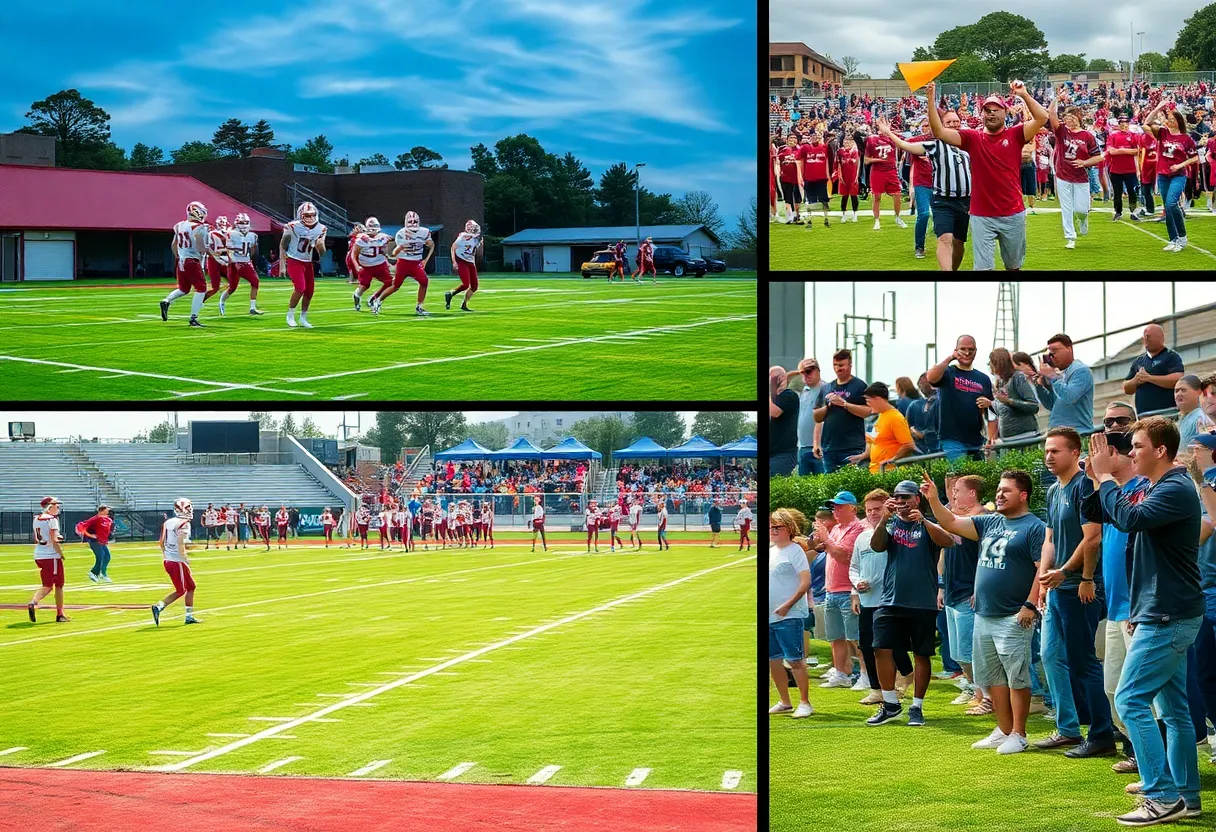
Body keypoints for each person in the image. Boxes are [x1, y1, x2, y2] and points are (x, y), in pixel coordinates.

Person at [1091, 418, 1204, 824]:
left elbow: (1130, 520)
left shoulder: (1173, 488)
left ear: (1160, 450)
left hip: (1169, 615)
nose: (1130, 452)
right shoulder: (1157, 487)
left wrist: (1105, 476)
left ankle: (1160, 795)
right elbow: (1112, 521)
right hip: (1160, 612)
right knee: (1174, 712)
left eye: (1137, 446)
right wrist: (1098, 478)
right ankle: (1187, 797)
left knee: (1129, 699)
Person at [922, 469, 1045, 755]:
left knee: (1017, 677)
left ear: (1023, 495)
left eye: (1007, 491)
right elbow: (951, 522)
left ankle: (1019, 733)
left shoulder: (1034, 526)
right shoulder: (989, 522)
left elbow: (1042, 568)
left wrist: (1029, 604)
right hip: (984, 614)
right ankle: (1003, 730)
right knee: (991, 678)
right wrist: (933, 500)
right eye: (999, 490)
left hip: (1013, 615)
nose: (1000, 495)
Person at [1036, 427, 1114, 758]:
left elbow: (1093, 537)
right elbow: (1050, 539)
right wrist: (1043, 577)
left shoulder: (1085, 486)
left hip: (1079, 587)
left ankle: (1102, 735)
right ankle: (1069, 728)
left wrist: (1076, 575)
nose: (1049, 456)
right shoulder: (1054, 490)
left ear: (1074, 453)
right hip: (1057, 587)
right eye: (1047, 451)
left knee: (1084, 663)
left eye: (1056, 451)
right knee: (1050, 655)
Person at [1080, 402, 1147, 770]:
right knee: (1114, 691)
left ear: (1125, 457)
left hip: (1139, 607)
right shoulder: (1109, 490)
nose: (1098, 458)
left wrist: (1104, 479)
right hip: (1116, 605)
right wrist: (1095, 479)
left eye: (1105, 452)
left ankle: (1156, 762)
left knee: (1143, 695)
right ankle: (1140, 752)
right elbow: (1089, 518)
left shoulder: (1140, 488)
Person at [926, 79, 1049, 271]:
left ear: (1005, 112)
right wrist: (930, 99)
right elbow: (939, 131)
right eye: (987, 110)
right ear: (982, 114)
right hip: (982, 215)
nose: (991, 114)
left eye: (996, 110)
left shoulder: (1016, 134)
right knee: (983, 269)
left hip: (1013, 213)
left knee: (1013, 267)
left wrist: (1023, 94)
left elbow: (1042, 118)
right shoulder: (972, 138)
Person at [865, 480, 956, 727]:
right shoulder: (891, 524)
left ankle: (917, 706)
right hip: (890, 600)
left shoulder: (928, 524)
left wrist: (924, 521)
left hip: (922, 603)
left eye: (906, 497)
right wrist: (884, 518)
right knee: (880, 648)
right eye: (897, 497)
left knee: (922, 655)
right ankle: (890, 704)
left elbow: (948, 541)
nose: (901, 502)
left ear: (917, 499)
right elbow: (876, 546)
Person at [878, 109, 972, 268]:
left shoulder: (968, 144)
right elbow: (905, 145)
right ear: (942, 125)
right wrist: (888, 132)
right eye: (948, 122)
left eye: (955, 121)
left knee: (959, 242)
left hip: (965, 200)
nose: (953, 124)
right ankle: (924, 251)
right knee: (944, 238)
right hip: (943, 199)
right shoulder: (935, 145)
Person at [849, 489, 913, 706]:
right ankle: (876, 689)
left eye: (878, 509)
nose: (873, 513)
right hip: (867, 600)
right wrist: (856, 587)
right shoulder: (862, 538)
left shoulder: (898, 533)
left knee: (893, 645)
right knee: (867, 646)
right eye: (869, 510)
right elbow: (854, 567)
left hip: (892, 600)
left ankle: (904, 681)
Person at [937, 474, 990, 713]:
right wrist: (940, 585)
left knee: (972, 652)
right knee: (959, 654)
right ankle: (976, 690)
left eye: (957, 490)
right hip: (951, 591)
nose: (953, 495)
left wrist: (979, 588)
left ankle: (985, 696)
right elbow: (944, 554)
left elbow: (986, 558)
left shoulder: (983, 520)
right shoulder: (955, 520)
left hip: (969, 593)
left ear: (972, 493)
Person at [769, 507, 815, 719]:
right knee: (774, 660)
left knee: (795, 660)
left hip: (790, 615)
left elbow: (805, 582)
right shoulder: (771, 551)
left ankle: (805, 702)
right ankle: (785, 701)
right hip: (770, 616)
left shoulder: (795, 551)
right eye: (771, 526)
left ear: (788, 528)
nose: (772, 530)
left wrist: (788, 604)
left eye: (777, 526)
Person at [819, 491, 866, 690]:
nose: (835, 510)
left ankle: (865, 674)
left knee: (855, 637)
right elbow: (828, 548)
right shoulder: (837, 529)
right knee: (836, 637)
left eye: (840, 506)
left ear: (852, 508)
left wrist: (825, 540)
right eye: (834, 507)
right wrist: (821, 541)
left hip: (848, 590)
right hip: (832, 590)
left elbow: (843, 555)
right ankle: (841, 673)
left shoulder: (858, 529)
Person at [1144, 96, 1201, 251]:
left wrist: (1180, 165)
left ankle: (1182, 237)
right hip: (1163, 175)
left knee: (1171, 203)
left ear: (1178, 121)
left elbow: (1195, 157)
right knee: (1167, 207)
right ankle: (1173, 238)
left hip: (1178, 175)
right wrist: (1157, 108)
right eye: (1168, 118)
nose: (1169, 121)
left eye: (1171, 119)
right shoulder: (1162, 133)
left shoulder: (1185, 138)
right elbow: (1146, 125)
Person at [925, 334, 994, 463]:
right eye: (963, 349)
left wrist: (991, 437)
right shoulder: (948, 372)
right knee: (958, 477)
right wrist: (950, 358)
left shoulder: (983, 379)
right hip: (951, 438)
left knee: (976, 480)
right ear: (956, 350)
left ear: (976, 351)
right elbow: (931, 378)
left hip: (976, 439)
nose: (967, 353)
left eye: (971, 350)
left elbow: (991, 413)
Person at [1047, 89, 1102, 250]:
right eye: (1067, 117)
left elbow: (1099, 157)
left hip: (1080, 176)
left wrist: (1084, 163)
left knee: (1081, 209)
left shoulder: (1087, 136)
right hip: (1063, 174)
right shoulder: (1062, 131)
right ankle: (1070, 236)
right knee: (1066, 207)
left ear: (1079, 118)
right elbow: (1051, 114)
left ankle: (1083, 219)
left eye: (1072, 117)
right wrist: (1056, 98)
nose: (1069, 120)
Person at [812, 349, 871, 473]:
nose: (838, 369)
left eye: (841, 365)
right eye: (835, 365)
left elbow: (868, 411)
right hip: (829, 447)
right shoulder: (827, 387)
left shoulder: (860, 386)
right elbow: (816, 416)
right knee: (831, 486)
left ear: (850, 365)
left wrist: (844, 404)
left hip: (852, 446)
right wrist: (828, 406)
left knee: (850, 484)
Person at [150, 498, 201, 626]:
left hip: (168, 559)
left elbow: (161, 542)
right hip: (177, 560)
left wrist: (166, 554)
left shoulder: (168, 522)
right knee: (181, 590)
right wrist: (184, 557)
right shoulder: (184, 523)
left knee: (191, 587)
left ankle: (189, 616)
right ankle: (159, 606)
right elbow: (180, 543)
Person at [161, 201, 210, 327]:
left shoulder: (179, 225)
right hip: (192, 261)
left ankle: (166, 300)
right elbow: (201, 246)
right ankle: (193, 318)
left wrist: (180, 256)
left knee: (184, 289)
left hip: (182, 260)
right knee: (201, 289)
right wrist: (210, 251)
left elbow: (173, 245)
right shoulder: (199, 227)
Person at [1032, 333, 1094, 432]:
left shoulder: (1081, 370)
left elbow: (1070, 396)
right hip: (1058, 432)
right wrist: (1038, 385)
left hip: (1078, 432)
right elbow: (1051, 404)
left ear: (1069, 349)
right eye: (1050, 353)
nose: (1052, 356)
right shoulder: (1059, 375)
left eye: (1055, 351)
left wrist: (1052, 376)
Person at [849, 382, 916, 473]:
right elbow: (875, 441)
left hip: (889, 471)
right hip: (876, 470)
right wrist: (863, 455)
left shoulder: (895, 418)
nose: (867, 404)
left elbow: (908, 445)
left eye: (868, 400)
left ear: (877, 399)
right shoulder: (881, 415)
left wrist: (893, 459)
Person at [280, 202, 327, 329]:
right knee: (300, 288)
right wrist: (282, 265)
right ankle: (290, 315)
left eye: (312, 215)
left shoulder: (321, 228)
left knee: (309, 291)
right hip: (294, 260)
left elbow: (322, 253)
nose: (310, 218)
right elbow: (283, 244)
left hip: (307, 262)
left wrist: (320, 246)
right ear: (301, 215)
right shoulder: (292, 226)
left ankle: (303, 318)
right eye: (307, 215)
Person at [982, 347, 1039, 448]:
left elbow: (1033, 406)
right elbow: (1002, 412)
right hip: (1008, 441)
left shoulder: (1018, 378)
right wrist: (991, 404)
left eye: (991, 363)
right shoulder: (999, 382)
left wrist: (1009, 401)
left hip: (1025, 438)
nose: (990, 366)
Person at [1123, 324, 1185, 416]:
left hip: (1167, 413)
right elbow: (1126, 387)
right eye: (1144, 337)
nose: (1146, 340)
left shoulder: (1171, 356)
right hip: (1144, 416)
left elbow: (1178, 379)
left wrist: (1149, 378)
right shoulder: (1139, 361)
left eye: (1149, 336)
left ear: (1161, 338)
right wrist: (1135, 380)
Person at [28, 496, 69, 623]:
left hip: (39, 554)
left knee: (48, 584)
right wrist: (61, 554)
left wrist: (57, 537)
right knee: (56, 586)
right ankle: (59, 613)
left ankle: (33, 603)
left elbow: (39, 537)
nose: (59, 507)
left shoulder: (36, 518)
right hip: (51, 556)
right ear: (50, 506)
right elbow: (54, 540)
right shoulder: (52, 520)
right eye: (56, 505)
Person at [386, 211, 435, 316]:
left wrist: (425, 260)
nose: (413, 223)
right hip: (403, 262)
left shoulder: (424, 232)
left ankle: (419, 306)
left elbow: (431, 245)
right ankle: (377, 300)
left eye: (415, 221)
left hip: (415, 262)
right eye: (411, 221)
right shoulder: (401, 233)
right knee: (396, 286)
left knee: (424, 281)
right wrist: (397, 250)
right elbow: (394, 253)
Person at [863, 116, 906, 231]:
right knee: (876, 196)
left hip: (891, 170)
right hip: (878, 172)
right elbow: (866, 160)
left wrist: (889, 131)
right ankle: (877, 220)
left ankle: (897, 217)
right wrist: (877, 160)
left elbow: (903, 142)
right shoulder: (872, 140)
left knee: (897, 194)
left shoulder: (892, 138)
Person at [787, 359, 826, 476]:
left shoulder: (827, 389)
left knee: (822, 486)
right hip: (803, 447)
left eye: (809, 371)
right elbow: (782, 381)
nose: (806, 375)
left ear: (817, 371)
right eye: (803, 373)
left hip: (821, 448)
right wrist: (798, 371)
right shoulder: (804, 390)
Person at [351, 217, 394, 313]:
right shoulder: (361, 239)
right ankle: (357, 296)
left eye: (375, 227)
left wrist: (388, 261)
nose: (373, 229)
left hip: (380, 264)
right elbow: (353, 254)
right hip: (366, 266)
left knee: (389, 282)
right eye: (371, 227)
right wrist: (356, 266)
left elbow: (387, 250)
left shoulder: (384, 237)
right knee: (365, 285)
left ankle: (374, 298)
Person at [222, 213, 263, 315]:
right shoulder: (231, 234)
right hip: (234, 262)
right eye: (241, 223)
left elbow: (253, 249)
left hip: (245, 262)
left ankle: (252, 308)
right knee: (232, 287)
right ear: (236, 223)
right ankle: (221, 301)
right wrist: (234, 262)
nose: (244, 225)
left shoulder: (252, 236)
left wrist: (249, 260)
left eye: (246, 223)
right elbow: (229, 250)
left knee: (255, 281)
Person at [1105, 114, 1142, 222]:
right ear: (1119, 124)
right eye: (1121, 123)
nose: (1123, 125)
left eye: (1125, 123)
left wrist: (1120, 150)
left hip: (1130, 169)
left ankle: (1133, 211)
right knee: (1117, 192)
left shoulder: (1134, 135)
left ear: (1128, 124)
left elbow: (1138, 151)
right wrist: (1127, 151)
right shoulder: (1113, 135)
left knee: (1132, 191)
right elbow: (1110, 151)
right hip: (1116, 169)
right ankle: (1118, 212)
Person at [797, 130, 832, 229]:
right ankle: (810, 221)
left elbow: (827, 161)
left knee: (824, 200)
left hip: (821, 178)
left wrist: (828, 175)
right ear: (810, 137)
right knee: (810, 201)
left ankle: (826, 220)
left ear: (820, 137)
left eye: (817, 135)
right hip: (809, 178)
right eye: (813, 135)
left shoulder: (824, 147)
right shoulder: (805, 148)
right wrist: (801, 177)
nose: (815, 137)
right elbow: (800, 162)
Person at [446, 220, 483, 312]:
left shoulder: (476, 239)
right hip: (461, 260)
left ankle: (464, 304)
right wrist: (454, 261)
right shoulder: (462, 236)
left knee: (474, 286)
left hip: (470, 262)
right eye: (473, 228)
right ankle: (451, 293)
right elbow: (453, 247)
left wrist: (481, 243)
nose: (475, 230)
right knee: (466, 284)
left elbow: (477, 253)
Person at [769, 366, 799, 477]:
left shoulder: (789, 395)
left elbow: (775, 412)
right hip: (773, 452)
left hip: (783, 454)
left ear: (781, 377)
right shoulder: (774, 398)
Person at [1176, 375, 1215, 453]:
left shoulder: (1199, 416)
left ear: (1198, 393)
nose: (1178, 394)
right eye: (1176, 391)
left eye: (1183, 390)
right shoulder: (1183, 418)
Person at [905, 375, 939, 456]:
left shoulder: (914, 405)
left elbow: (907, 427)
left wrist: (919, 433)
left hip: (921, 450)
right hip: (932, 448)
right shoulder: (914, 405)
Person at [202, 216, 232, 308]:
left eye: (224, 222)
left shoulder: (229, 233)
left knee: (233, 283)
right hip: (214, 259)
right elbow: (206, 248)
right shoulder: (212, 233)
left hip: (224, 260)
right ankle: (200, 300)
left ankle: (222, 301)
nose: (223, 224)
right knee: (215, 288)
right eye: (221, 222)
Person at [82, 504, 114, 584]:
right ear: (102, 511)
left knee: (107, 557)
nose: (108, 511)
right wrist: (90, 535)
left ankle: (103, 574)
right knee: (100, 556)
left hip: (103, 542)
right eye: (107, 510)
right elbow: (82, 527)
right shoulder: (95, 519)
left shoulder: (108, 520)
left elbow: (107, 530)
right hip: (95, 541)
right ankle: (93, 573)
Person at [776, 133, 804, 224]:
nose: (793, 140)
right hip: (785, 178)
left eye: (795, 138)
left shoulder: (800, 150)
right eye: (791, 138)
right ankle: (789, 216)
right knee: (787, 198)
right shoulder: (782, 150)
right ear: (787, 140)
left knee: (797, 199)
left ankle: (797, 215)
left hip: (797, 179)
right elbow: (777, 163)